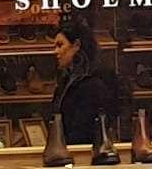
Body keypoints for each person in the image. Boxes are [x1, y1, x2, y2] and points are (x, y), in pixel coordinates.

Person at [50, 15, 122, 145]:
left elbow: (85, 131)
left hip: (83, 151)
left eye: (60, 45)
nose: (56, 51)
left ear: (76, 45)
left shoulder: (92, 84)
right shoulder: (68, 81)